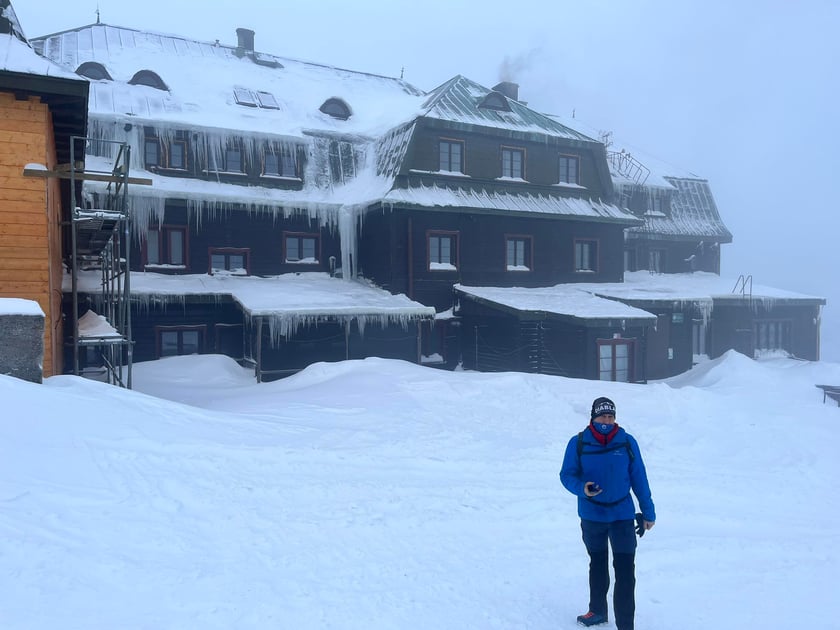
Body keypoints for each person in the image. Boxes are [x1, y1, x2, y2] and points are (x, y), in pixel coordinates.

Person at [559, 396, 656, 630]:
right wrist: (582, 488)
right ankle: (598, 611)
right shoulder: (579, 443)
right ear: (593, 417)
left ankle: (626, 625)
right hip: (592, 516)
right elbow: (567, 475)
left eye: (611, 416)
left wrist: (648, 511)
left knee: (625, 571)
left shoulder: (627, 442)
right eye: (603, 415)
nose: (607, 420)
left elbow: (639, 477)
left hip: (622, 516)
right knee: (598, 564)